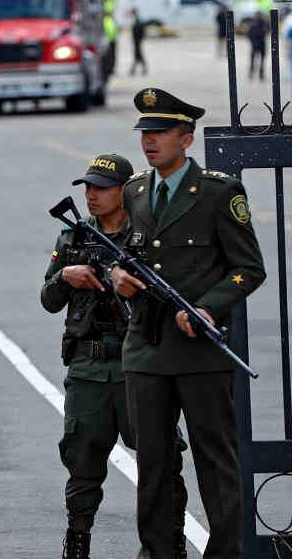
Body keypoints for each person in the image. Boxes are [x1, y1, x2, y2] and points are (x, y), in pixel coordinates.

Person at [110, 89, 266, 559]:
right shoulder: (136, 191)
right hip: (146, 349)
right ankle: (159, 550)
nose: (149, 142)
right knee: (154, 464)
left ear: (187, 138)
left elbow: (248, 268)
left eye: (160, 134)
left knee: (214, 462)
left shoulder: (219, 192)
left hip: (199, 350)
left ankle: (225, 553)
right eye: (145, 134)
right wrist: (118, 276)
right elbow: (128, 256)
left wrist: (209, 306)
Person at [42, 154, 188, 559]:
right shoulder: (74, 236)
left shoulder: (147, 236)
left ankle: (168, 542)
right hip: (88, 367)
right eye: (87, 188)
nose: (91, 195)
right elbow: (48, 300)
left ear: (125, 192)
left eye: (101, 188)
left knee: (160, 459)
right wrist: (64, 276)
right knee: (82, 459)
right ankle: (78, 540)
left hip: (140, 365)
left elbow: (171, 297)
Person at [247, 10, 268, 81]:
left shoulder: (256, 23)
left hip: (258, 44)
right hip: (258, 43)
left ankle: (256, 73)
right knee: (257, 60)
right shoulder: (259, 23)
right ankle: (255, 73)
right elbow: (249, 34)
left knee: (258, 60)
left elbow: (248, 34)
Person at [129, 10, 148, 76]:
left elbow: (141, 32)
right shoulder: (137, 21)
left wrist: (139, 39)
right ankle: (134, 70)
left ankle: (133, 70)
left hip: (137, 42)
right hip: (136, 42)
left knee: (138, 56)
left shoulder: (138, 22)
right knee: (138, 56)